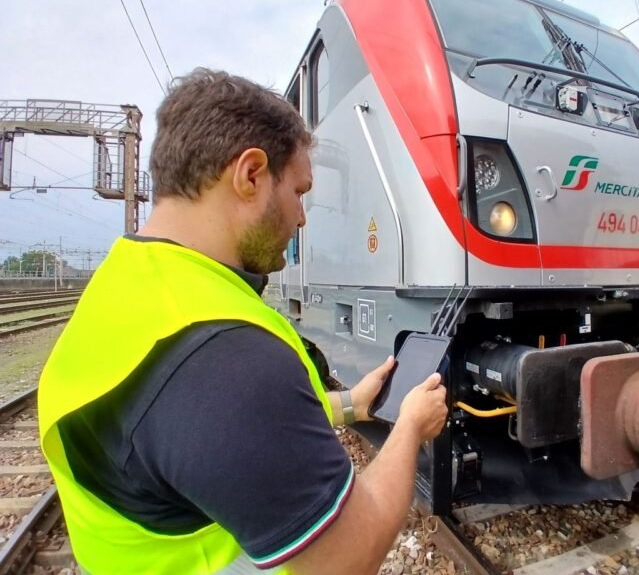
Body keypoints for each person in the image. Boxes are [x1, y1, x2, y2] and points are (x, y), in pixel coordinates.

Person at [38, 68, 448, 575]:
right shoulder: (225, 357)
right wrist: (409, 426)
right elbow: (347, 557)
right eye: (298, 191)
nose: (301, 217)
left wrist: (348, 405)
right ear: (250, 175)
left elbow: (206, 441)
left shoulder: (127, 285)